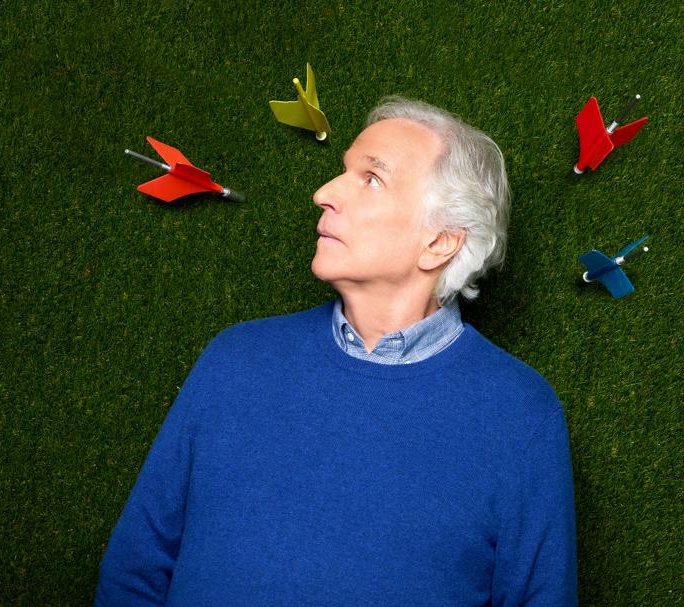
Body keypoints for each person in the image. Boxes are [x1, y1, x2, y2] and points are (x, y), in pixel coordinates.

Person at [95, 96, 577, 606]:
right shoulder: (234, 360)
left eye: (372, 179)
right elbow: (134, 572)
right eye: (343, 172)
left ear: (440, 242)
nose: (323, 193)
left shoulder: (520, 414)